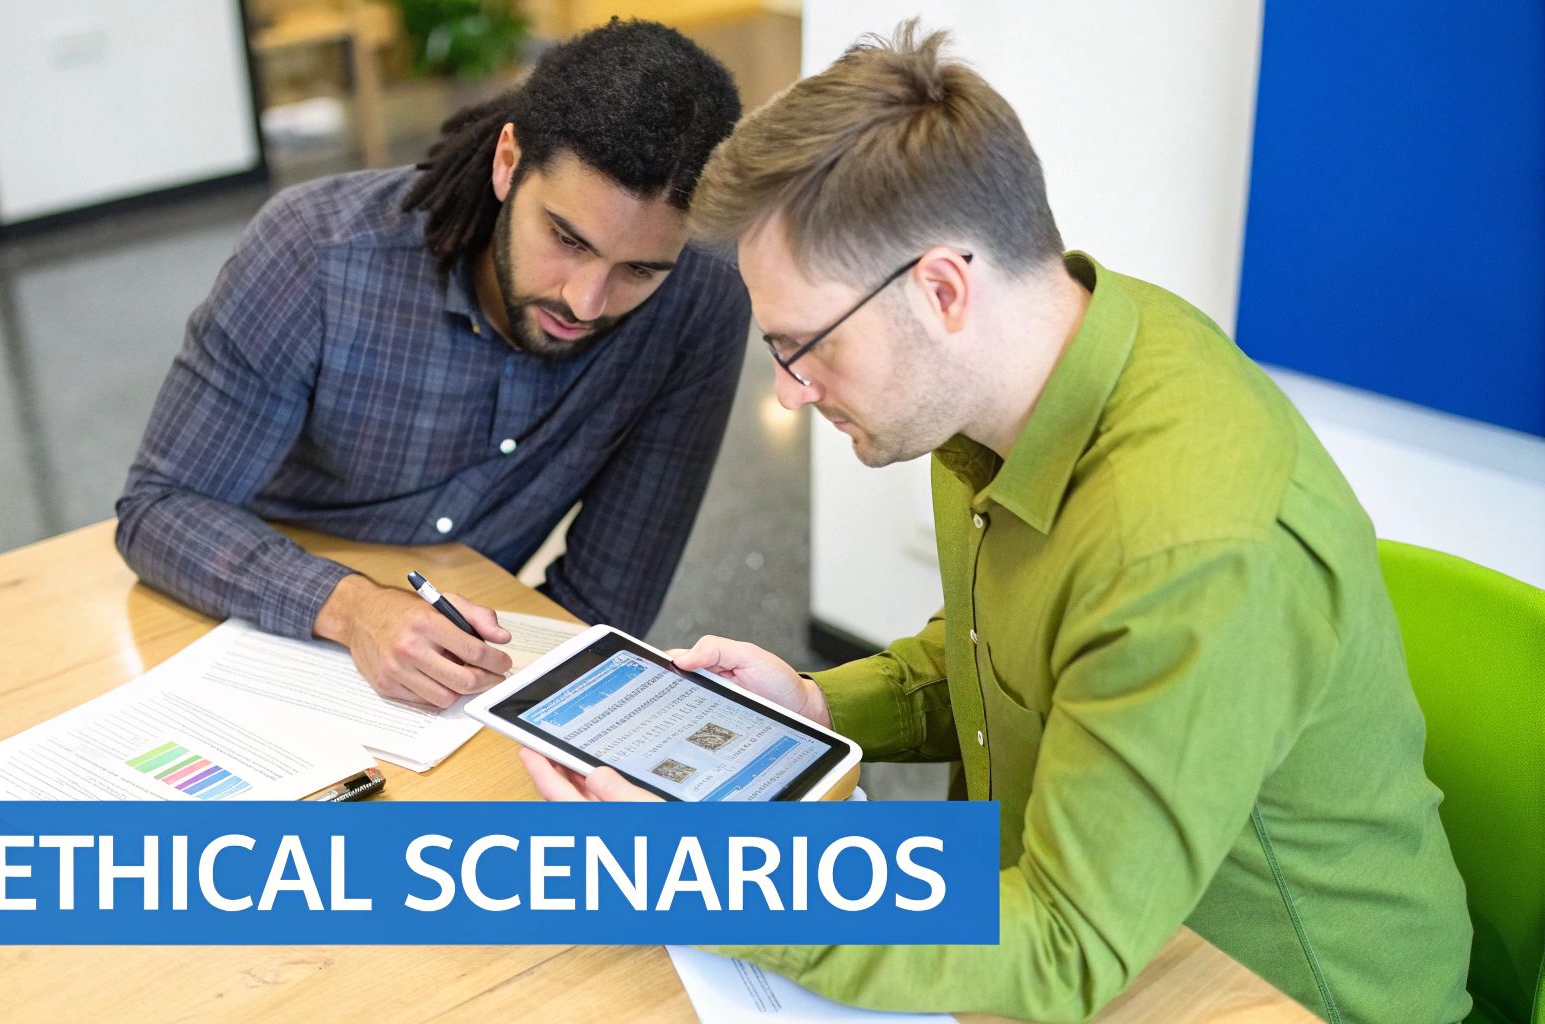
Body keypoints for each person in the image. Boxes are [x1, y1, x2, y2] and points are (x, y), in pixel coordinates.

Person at [518, 22, 1473, 1023]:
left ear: (939, 289)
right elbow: (1004, 658)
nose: (790, 392)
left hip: (1269, 992)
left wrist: (701, 873)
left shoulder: (1185, 546)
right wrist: (814, 705)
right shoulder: (1030, 370)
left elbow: (1061, 949)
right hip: (1088, 936)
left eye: (804, 346)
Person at [117, 21, 748, 709]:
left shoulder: (699, 305)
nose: (586, 300)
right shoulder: (317, 251)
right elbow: (159, 509)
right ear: (509, 161)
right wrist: (352, 608)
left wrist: (493, 702)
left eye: (639, 270)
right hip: (247, 631)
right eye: (566, 239)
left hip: (446, 693)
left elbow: (605, 600)